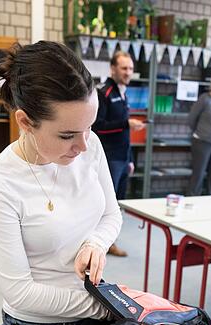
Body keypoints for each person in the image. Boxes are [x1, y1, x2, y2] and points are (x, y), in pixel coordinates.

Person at [0, 41, 123, 325]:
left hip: (94, 315)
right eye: (68, 134)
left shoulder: (90, 145)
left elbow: (111, 214)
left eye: (89, 127)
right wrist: (106, 307)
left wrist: (95, 244)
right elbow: (20, 292)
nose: (83, 145)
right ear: (26, 121)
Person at [92, 50, 144, 257]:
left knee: (117, 205)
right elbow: (98, 126)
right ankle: (99, 245)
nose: (128, 72)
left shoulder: (123, 93)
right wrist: (126, 123)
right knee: (105, 205)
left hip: (122, 158)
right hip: (110, 158)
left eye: (130, 68)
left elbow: (125, 133)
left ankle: (110, 241)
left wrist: (130, 159)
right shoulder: (104, 93)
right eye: (124, 68)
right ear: (113, 69)